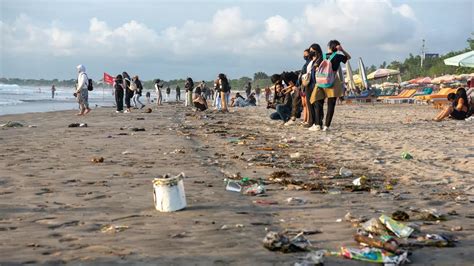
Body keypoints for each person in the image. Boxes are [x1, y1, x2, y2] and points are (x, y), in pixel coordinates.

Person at [312, 40, 351, 131]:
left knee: (317, 101)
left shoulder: (323, 56)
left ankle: (317, 124)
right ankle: (326, 126)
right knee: (331, 104)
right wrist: (342, 50)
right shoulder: (338, 56)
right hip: (333, 81)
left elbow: (316, 66)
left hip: (321, 81)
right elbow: (348, 57)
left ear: (329, 46)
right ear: (337, 47)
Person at [286, 49, 311, 126]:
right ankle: (305, 119)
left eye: (305, 54)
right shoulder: (306, 63)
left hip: (305, 85)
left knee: (306, 104)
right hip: (302, 85)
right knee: (304, 104)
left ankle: (307, 120)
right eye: (304, 54)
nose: (304, 56)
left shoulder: (310, 63)